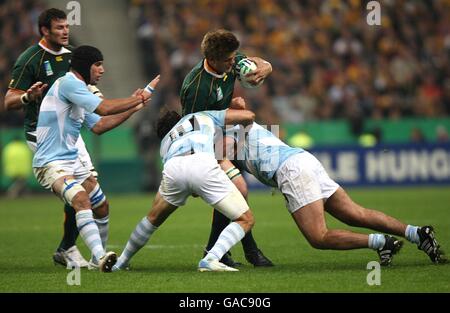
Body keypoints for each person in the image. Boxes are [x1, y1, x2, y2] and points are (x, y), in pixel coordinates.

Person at [232, 122, 446, 266]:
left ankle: (380, 242)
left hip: (291, 170)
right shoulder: (234, 122)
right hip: (303, 159)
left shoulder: (221, 129)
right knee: (355, 214)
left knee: (318, 236)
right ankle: (416, 233)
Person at [32, 45, 160, 272]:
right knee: (81, 199)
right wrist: (140, 96)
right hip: (50, 162)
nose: (102, 70)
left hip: (71, 160)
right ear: (85, 65)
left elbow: (100, 126)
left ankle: (95, 260)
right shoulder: (69, 83)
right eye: (97, 64)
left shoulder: (79, 89)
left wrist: (135, 106)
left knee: (101, 206)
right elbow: (103, 108)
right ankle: (101, 257)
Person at [4, 8, 99, 268]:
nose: (66, 31)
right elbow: (9, 100)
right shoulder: (30, 59)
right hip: (42, 133)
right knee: (78, 192)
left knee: (87, 189)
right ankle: (70, 248)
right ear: (44, 30)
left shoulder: (73, 57)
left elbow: (87, 86)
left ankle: (67, 247)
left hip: (70, 132)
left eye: (66, 26)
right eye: (59, 27)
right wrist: (27, 97)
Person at [112, 108, 256, 272]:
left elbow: (188, 185)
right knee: (246, 219)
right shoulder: (202, 115)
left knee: (152, 218)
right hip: (202, 162)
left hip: (174, 168)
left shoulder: (165, 143)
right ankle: (211, 258)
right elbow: (248, 116)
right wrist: (236, 137)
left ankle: (121, 262)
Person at [180, 29, 273, 267]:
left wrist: (266, 67)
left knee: (235, 192)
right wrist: (232, 112)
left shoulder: (229, 59)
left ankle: (217, 251)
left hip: (228, 136)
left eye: (234, 58)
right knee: (235, 191)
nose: (234, 63)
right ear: (213, 59)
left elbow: (258, 63)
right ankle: (247, 251)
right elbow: (193, 127)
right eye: (229, 61)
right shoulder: (197, 87)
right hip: (206, 143)